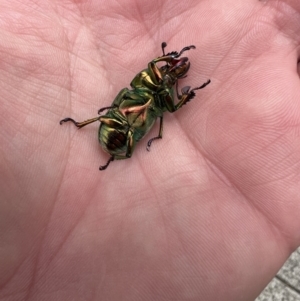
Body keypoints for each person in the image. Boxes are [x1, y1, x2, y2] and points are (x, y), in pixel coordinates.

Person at [0, 0, 299, 300]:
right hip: (120, 125)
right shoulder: (146, 85)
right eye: (168, 69)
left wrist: (184, 93)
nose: (171, 75)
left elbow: (167, 105)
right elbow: (146, 79)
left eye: (172, 73)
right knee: (131, 116)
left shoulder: (161, 98)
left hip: (127, 129)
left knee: (152, 118)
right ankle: (81, 125)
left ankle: (100, 131)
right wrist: (167, 63)